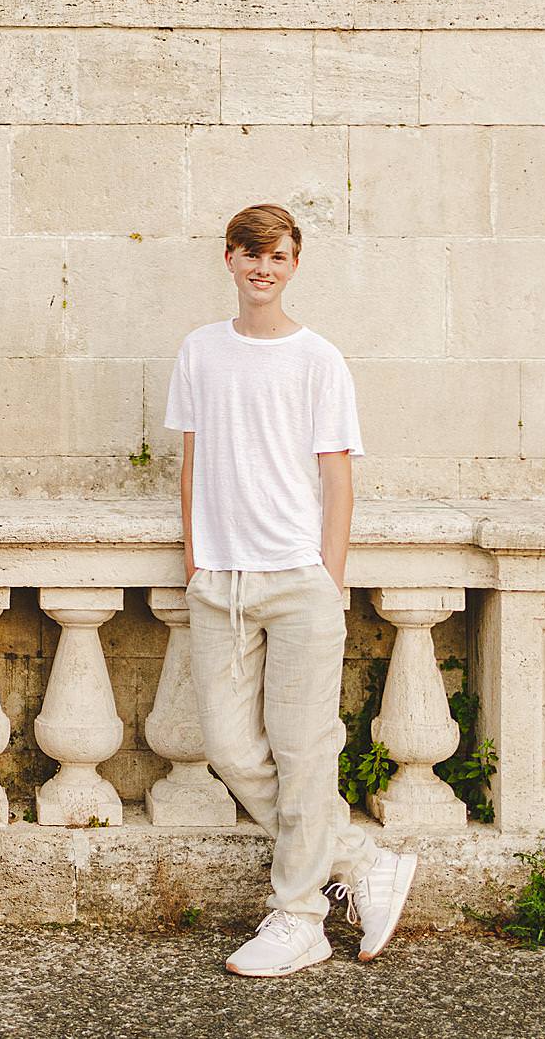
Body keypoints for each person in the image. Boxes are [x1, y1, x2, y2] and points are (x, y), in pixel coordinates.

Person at [167, 204, 419, 977]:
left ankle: (301, 915)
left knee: (304, 753)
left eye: (277, 255)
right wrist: (197, 562)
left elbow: (337, 478)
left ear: (294, 264)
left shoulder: (319, 359)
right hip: (221, 581)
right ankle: (360, 860)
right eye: (251, 253)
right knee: (229, 745)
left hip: (299, 580)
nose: (263, 267)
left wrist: (327, 581)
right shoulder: (200, 350)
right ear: (229, 258)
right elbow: (191, 463)